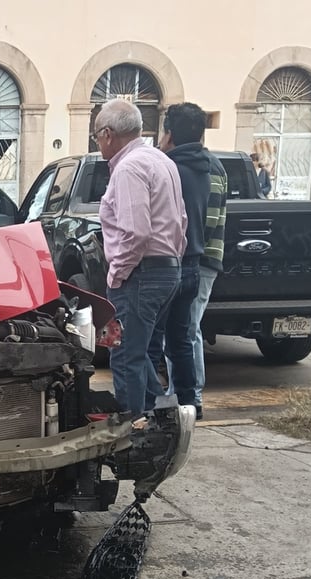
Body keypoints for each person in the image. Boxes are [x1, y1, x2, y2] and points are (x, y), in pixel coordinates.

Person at [94, 99, 187, 417]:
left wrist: (116, 274)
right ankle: (160, 418)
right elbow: (181, 223)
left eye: (96, 136)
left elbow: (136, 232)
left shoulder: (129, 167)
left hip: (140, 275)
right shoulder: (161, 160)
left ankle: (134, 435)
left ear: (107, 134)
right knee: (142, 352)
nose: (98, 143)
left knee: (123, 355)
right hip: (167, 270)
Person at [150, 103, 228, 421]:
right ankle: (187, 399)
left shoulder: (168, 168)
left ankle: (170, 400)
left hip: (178, 261)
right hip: (202, 257)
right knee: (184, 333)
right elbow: (211, 217)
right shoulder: (214, 167)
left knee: (165, 335)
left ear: (169, 133)